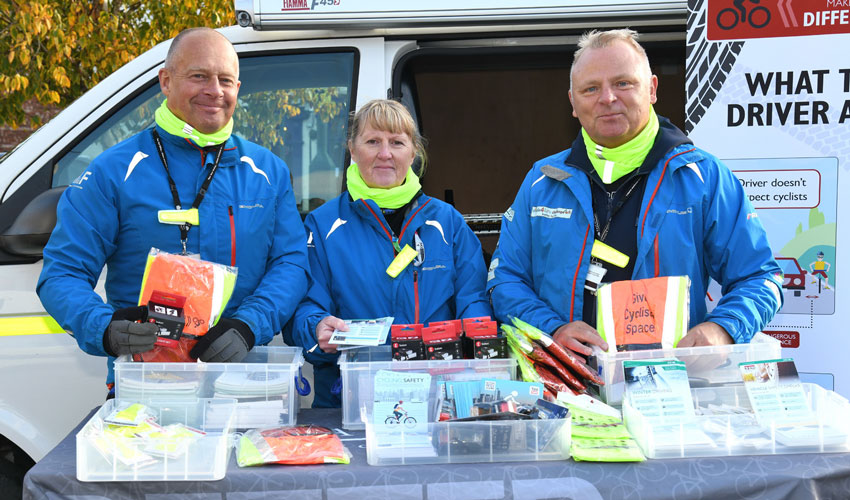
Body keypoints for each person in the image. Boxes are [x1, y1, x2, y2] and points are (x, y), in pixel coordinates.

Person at [37, 27, 309, 396]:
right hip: (147, 384)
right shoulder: (113, 170)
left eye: (225, 79)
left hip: (243, 386)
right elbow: (62, 273)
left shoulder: (268, 171)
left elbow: (291, 263)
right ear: (165, 81)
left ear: (237, 89)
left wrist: (250, 324)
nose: (214, 90)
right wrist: (103, 327)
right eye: (199, 76)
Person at [488, 29, 783, 356]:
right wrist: (552, 329)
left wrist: (723, 328)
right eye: (591, 88)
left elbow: (759, 277)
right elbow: (506, 279)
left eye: (623, 83)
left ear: (652, 89)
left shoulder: (703, 177)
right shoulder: (541, 182)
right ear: (573, 102)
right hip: (566, 387)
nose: (608, 98)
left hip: (669, 387)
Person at [287, 99, 492, 408]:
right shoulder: (323, 223)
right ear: (353, 150)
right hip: (349, 404)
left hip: (438, 401)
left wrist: (478, 346)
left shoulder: (446, 221)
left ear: (413, 153)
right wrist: (315, 327)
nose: (385, 154)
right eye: (373, 142)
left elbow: (474, 298)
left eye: (397, 142)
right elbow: (303, 307)